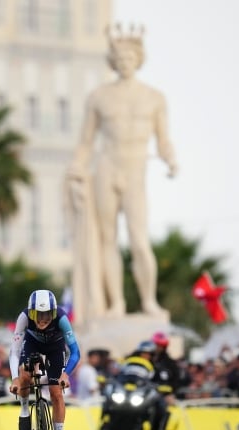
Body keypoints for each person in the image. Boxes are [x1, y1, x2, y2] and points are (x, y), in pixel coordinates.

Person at [66, 23, 177, 322]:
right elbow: (85, 142)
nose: (125, 63)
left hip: (135, 169)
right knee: (107, 239)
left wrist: (170, 158)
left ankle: (149, 301)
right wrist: (77, 169)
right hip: (106, 167)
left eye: (130, 58)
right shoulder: (99, 97)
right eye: (120, 58)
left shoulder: (155, 97)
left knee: (140, 240)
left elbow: (163, 138)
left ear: (138, 59)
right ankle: (115, 303)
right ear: (113, 61)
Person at [9, 289, 81, 430]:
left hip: (56, 348)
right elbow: (14, 351)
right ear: (31, 313)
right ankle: (25, 409)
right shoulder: (24, 317)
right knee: (25, 374)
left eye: (47, 315)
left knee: (57, 393)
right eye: (38, 315)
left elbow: (76, 352)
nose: (42, 319)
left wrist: (66, 374)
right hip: (32, 344)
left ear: (54, 312)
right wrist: (15, 379)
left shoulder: (63, 319)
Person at [118, 340, 169, 430]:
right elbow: (118, 375)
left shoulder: (156, 368)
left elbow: (162, 382)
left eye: (148, 354)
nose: (145, 356)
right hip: (128, 394)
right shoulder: (129, 364)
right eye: (143, 353)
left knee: (161, 407)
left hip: (145, 395)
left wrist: (162, 387)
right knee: (108, 401)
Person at [150, 332, 181, 400]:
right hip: (145, 393)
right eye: (156, 345)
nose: (157, 348)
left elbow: (175, 380)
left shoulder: (170, 363)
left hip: (163, 395)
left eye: (160, 346)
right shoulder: (146, 360)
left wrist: (171, 393)